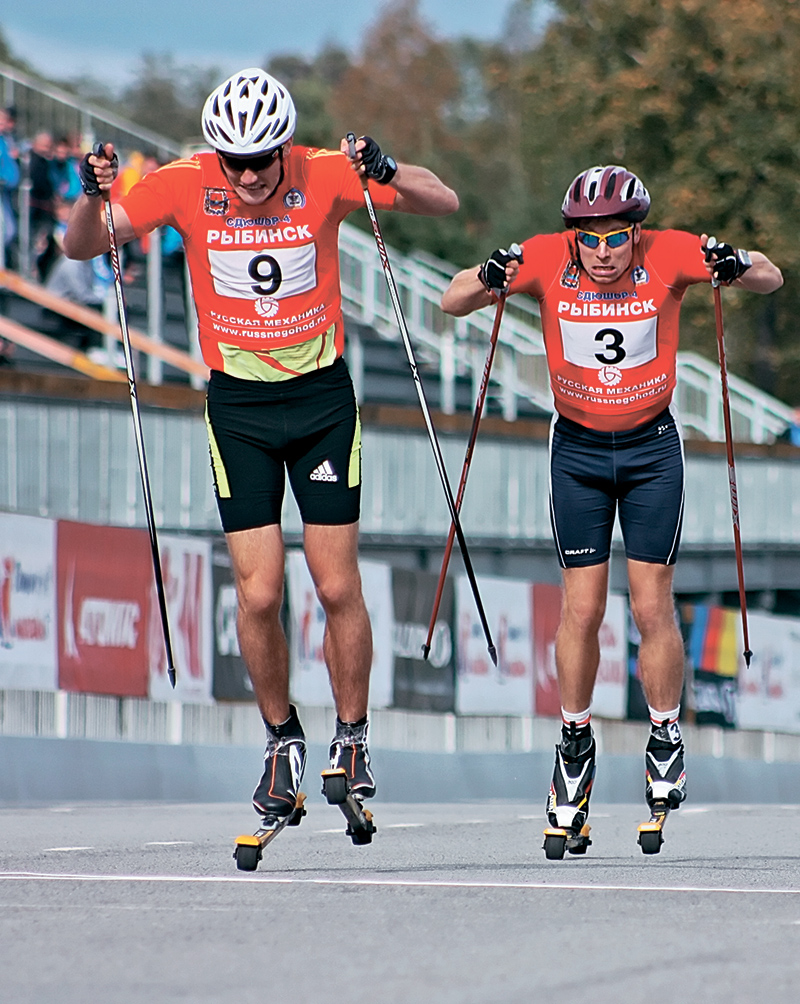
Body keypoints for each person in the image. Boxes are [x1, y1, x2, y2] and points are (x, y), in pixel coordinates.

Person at [64, 67, 458, 825]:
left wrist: (387, 168)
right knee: (259, 592)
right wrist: (91, 193)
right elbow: (84, 247)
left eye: (261, 159)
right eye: (233, 160)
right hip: (239, 406)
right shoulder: (185, 182)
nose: (247, 175)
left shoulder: (321, 170)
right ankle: (282, 741)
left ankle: (353, 736)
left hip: (319, 400)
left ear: (283, 147)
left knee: (337, 584)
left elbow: (443, 199)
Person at [441, 164, 782, 846]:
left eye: (617, 237)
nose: (603, 252)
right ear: (572, 236)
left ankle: (663, 732)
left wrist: (734, 262)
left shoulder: (670, 252)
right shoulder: (545, 257)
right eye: (589, 239)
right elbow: (452, 301)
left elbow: (771, 275)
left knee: (652, 604)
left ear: (638, 231)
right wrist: (491, 272)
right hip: (579, 453)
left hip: (653, 451)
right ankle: (574, 744)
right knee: (583, 607)